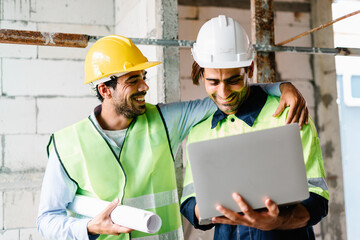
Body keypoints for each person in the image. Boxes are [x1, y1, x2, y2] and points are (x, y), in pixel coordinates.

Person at [37, 35, 308, 240]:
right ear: (105, 89)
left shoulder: (165, 120)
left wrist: (283, 87)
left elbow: (225, 94)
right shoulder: (66, 144)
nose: (144, 86)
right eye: (133, 80)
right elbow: (47, 219)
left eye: (143, 77)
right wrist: (87, 227)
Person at [180, 15, 329, 240]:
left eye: (233, 80)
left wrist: (278, 221)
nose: (223, 93)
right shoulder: (200, 130)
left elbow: (318, 199)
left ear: (249, 69)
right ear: (201, 74)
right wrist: (213, 210)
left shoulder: (289, 113)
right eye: (213, 82)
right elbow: (190, 202)